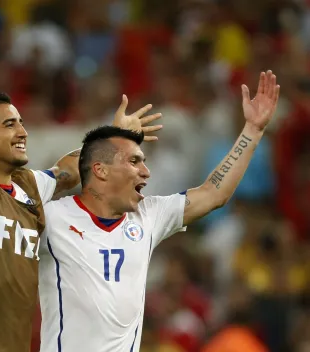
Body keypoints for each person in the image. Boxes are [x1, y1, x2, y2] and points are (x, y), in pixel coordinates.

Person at [0, 5, 162, 352]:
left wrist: (113, 137)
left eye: (20, 122)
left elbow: (69, 171)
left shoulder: (29, 187)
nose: (22, 131)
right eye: (9, 124)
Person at [38, 70, 280, 351]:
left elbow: (213, 193)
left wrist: (252, 131)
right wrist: (112, 137)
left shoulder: (148, 216)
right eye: (134, 162)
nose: (145, 171)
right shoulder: (53, 218)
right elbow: (31, 189)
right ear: (101, 171)